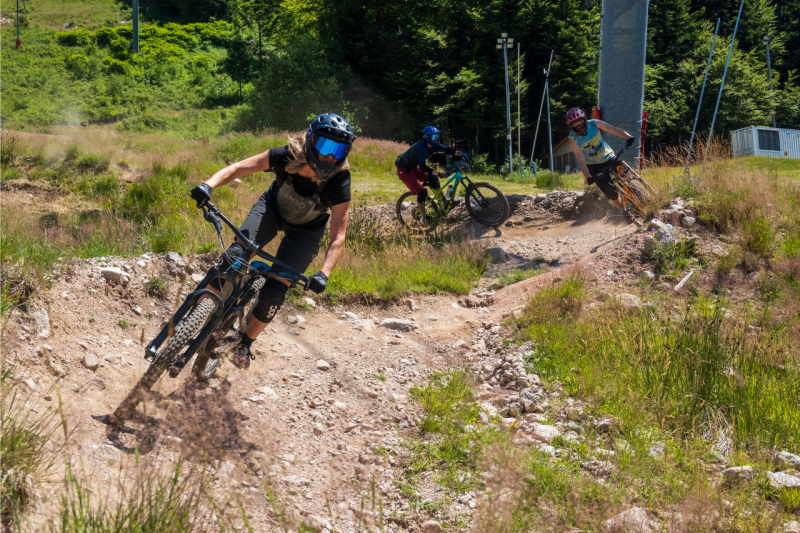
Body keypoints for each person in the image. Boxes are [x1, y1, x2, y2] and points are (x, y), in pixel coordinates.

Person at [190, 113, 355, 369]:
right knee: (234, 256)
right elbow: (238, 168)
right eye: (326, 147)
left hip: (306, 232)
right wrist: (207, 185)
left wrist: (324, 273)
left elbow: (338, 234)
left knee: (275, 292)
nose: (332, 157)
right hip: (271, 211)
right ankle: (193, 318)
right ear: (311, 140)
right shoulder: (287, 155)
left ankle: (244, 344)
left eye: (340, 150)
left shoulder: (340, 180)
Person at [566, 107, 636, 219]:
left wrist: (628, 136)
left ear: (584, 119)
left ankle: (639, 193)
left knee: (628, 177)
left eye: (580, 122)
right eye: (575, 124)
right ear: (571, 126)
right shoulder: (573, 139)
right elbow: (581, 160)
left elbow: (613, 129)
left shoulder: (595, 124)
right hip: (594, 167)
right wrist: (588, 177)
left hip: (608, 156)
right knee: (610, 192)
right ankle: (624, 211)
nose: (579, 126)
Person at [395, 126, 466, 222]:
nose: (436, 138)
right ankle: (424, 218)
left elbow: (446, 149)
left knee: (433, 178)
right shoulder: (423, 148)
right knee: (422, 192)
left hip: (412, 167)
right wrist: (438, 173)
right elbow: (423, 167)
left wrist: (460, 153)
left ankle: (444, 202)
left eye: (437, 135)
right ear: (427, 137)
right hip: (404, 170)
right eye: (433, 137)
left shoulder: (432, 145)